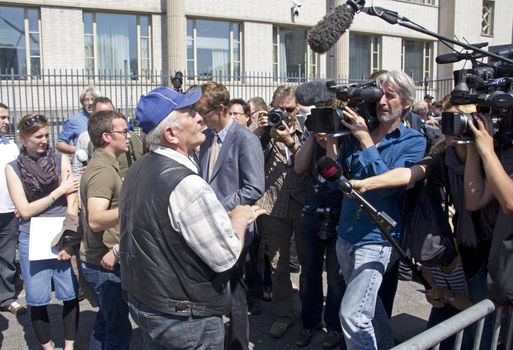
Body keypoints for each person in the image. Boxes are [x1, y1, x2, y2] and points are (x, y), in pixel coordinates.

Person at [119, 86, 264, 349]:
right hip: (184, 318)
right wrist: (240, 218)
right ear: (171, 134)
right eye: (190, 113)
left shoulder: (138, 168)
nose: (200, 118)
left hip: (150, 304)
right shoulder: (185, 184)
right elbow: (226, 256)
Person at [351, 103, 497, 350]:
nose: (453, 128)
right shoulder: (443, 158)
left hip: (489, 246)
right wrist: (368, 184)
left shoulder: (492, 156)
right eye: (448, 120)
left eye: (460, 120)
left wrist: (478, 149)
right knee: (454, 317)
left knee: (482, 321)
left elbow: (474, 200)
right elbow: (410, 173)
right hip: (458, 243)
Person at [327, 70, 426, 349]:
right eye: (379, 95)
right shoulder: (357, 131)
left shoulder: (413, 141)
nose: (382, 102)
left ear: (406, 103)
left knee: (353, 315)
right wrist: (332, 145)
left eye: (390, 96)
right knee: (369, 308)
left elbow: (390, 184)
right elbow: (338, 184)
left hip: (377, 237)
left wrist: (365, 141)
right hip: (346, 233)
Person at [196, 82, 265, 350]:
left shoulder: (245, 139)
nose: (200, 118)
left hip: (234, 227)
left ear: (221, 109)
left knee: (236, 294)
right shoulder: (207, 137)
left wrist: (219, 208)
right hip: (208, 227)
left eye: (204, 112)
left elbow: (254, 187)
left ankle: (237, 345)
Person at [5, 113, 80, 350]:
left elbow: (73, 201)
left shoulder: (60, 160)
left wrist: (69, 239)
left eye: (47, 135)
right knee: (37, 299)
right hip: (32, 237)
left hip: (61, 234)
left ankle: (69, 347)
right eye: (38, 136)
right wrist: (58, 191)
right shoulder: (13, 168)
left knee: (69, 295)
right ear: (23, 138)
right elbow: (25, 210)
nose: (44, 140)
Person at [254, 85, 306, 339]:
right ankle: (283, 314)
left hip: (302, 202)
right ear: (271, 108)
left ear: (297, 108)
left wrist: (291, 142)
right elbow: (250, 159)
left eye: (290, 109)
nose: (285, 115)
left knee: (309, 262)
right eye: (280, 109)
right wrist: (260, 131)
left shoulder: (306, 129)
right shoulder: (264, 132)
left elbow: (312, 164)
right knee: (277, 264)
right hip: (272, 204)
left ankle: (310, 316)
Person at [79, 110, 133, 349]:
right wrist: (133, 209)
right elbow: (96, 219)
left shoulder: (107, 165)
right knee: (118, 331)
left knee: (105, 324)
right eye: (123, 131)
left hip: (102, 260)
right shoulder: (102, 170)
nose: (129, 135)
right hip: (103, 262)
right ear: (106, 137)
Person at [293, 128, 345, 348]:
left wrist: (332, 139)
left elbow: (336, 172)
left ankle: (333, 327)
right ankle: (310, 322)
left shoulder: (344, 138)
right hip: (311, 212)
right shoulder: (311, 137)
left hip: (339, 214)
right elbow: (299, 167)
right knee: (310, 272)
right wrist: (313, 136)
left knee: (335, 277)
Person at [74, 97, 144, 180]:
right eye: (102, 114)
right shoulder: (92, 143)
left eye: (111, 113)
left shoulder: (129, 137)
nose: (109, 117)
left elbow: (144, 164)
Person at [0, 103, 26, 315]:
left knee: (7, 256)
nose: (6, 122)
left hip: (9, 211)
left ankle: (6, 297)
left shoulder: (11, 146)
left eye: (7, 117)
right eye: (2, 117)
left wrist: (21, 204)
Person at [56, 86, 101, 178]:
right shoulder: (75, 120)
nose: (90, 103)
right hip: (82, 167)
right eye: (86, 100)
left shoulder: (105, 118)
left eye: (93, 99)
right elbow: (59, 144)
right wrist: (77, 149)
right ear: (82, 102)